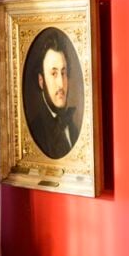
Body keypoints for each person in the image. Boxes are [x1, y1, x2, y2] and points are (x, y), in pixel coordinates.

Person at [27, 30, 80, 159]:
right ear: (41, 81)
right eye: (54, 74)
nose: (61, 84)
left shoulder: (73, 128)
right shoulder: (36, 131)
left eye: (63, 73)